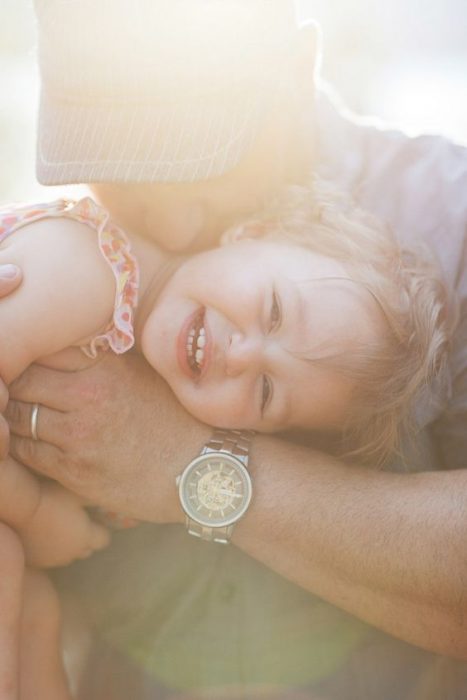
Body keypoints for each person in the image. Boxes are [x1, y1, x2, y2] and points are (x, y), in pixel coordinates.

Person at [4, 0, 467, 697]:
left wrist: (184, 460)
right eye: (118, 168)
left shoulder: (446, 225)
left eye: (200, 163)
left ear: (296, 71)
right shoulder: (91, 267)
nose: (174, 219)